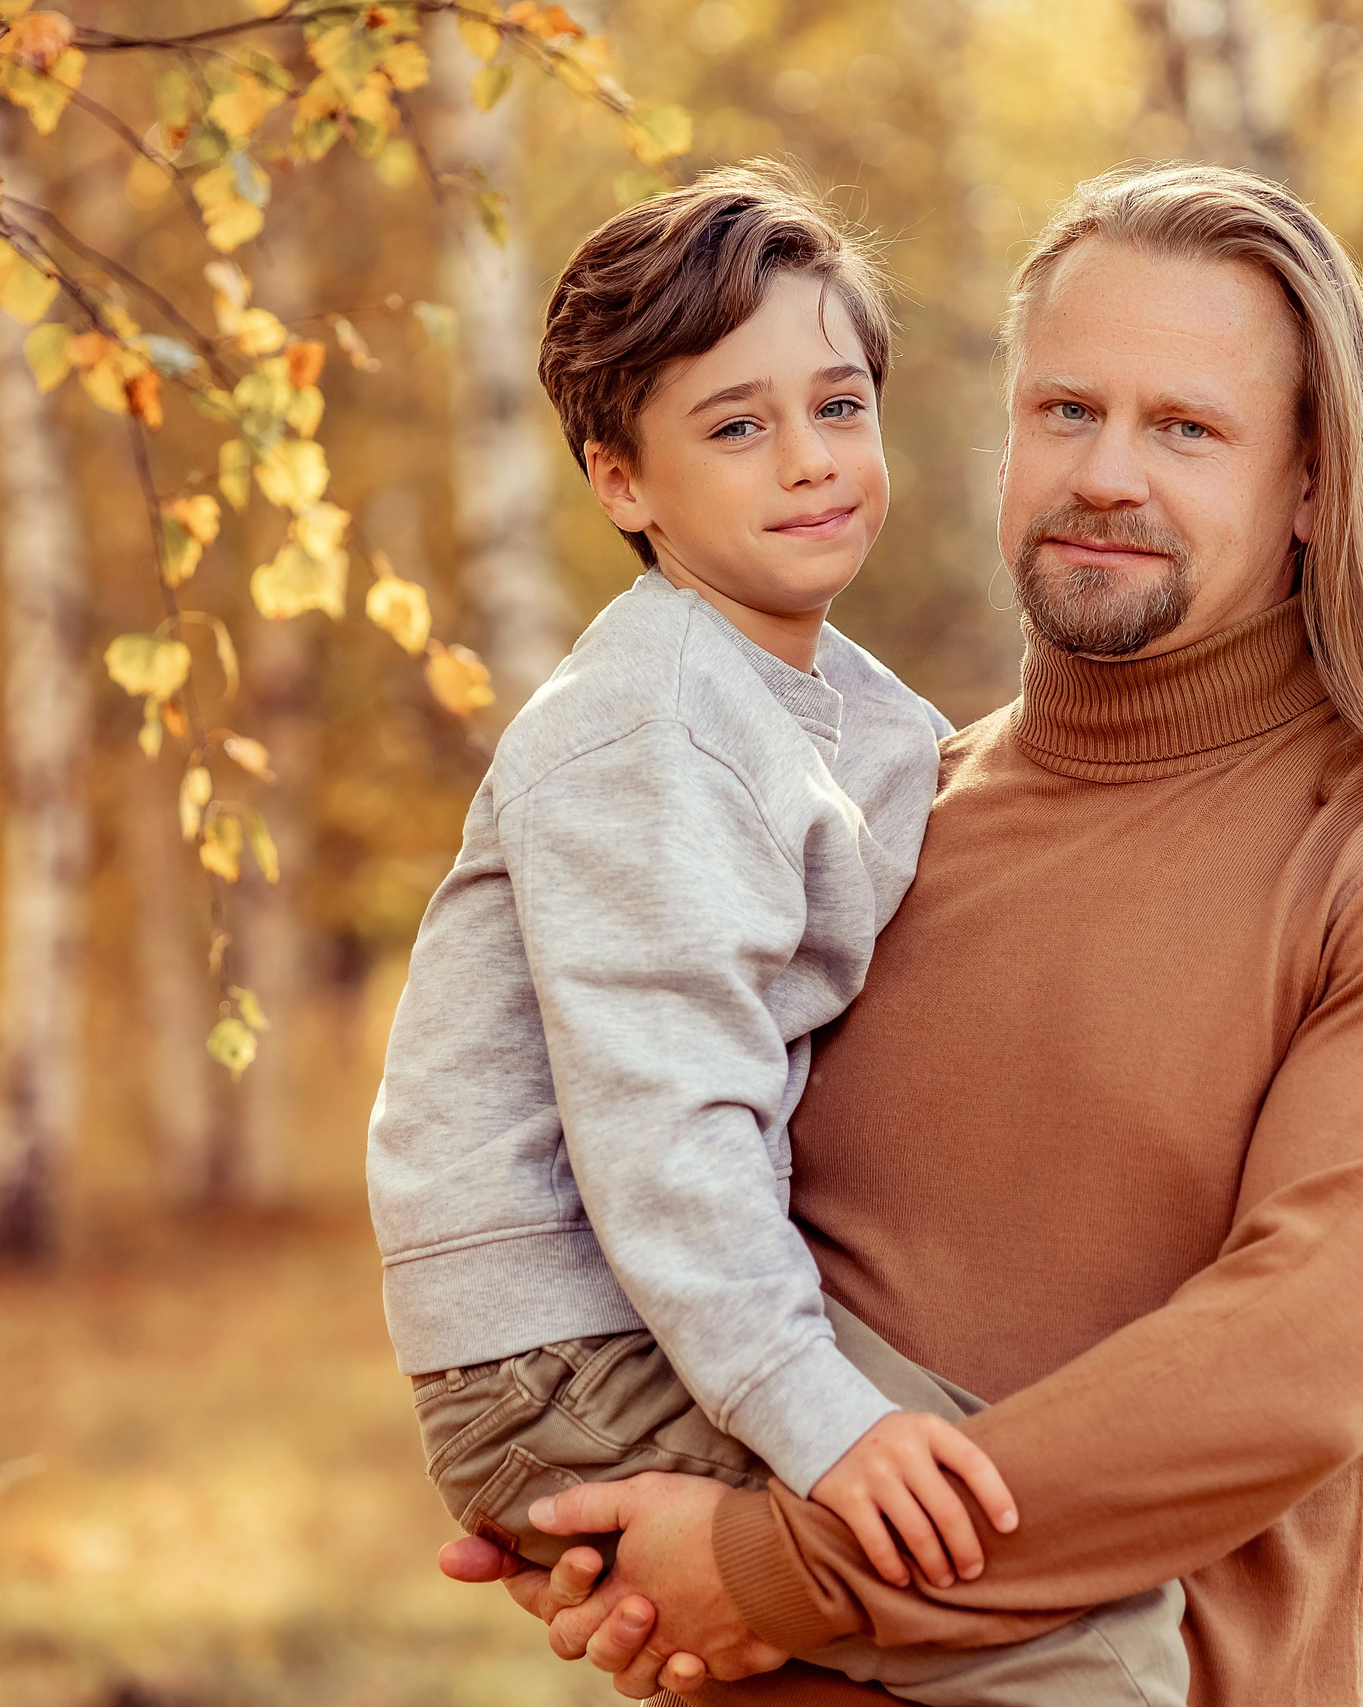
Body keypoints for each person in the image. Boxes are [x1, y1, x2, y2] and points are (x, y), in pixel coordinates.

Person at [440, 163, 1363, 1706]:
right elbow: (664, 1180)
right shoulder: (871, 821)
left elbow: (1288, 1368)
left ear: (1313, 484)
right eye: (1065, 411)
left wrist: (774, 1569)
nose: (1108, 473)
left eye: (1186, 427)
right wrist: (596, 1533)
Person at [365, 162, 1190, 1706]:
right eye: (736, 427)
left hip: (659, 1305)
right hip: (569, 1336)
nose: (811, 463)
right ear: (622, 482)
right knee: (1079, 1618)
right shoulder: (648, 737)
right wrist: (822, 1418)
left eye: (839, 407)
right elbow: (665, 1131)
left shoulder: (852, 713)